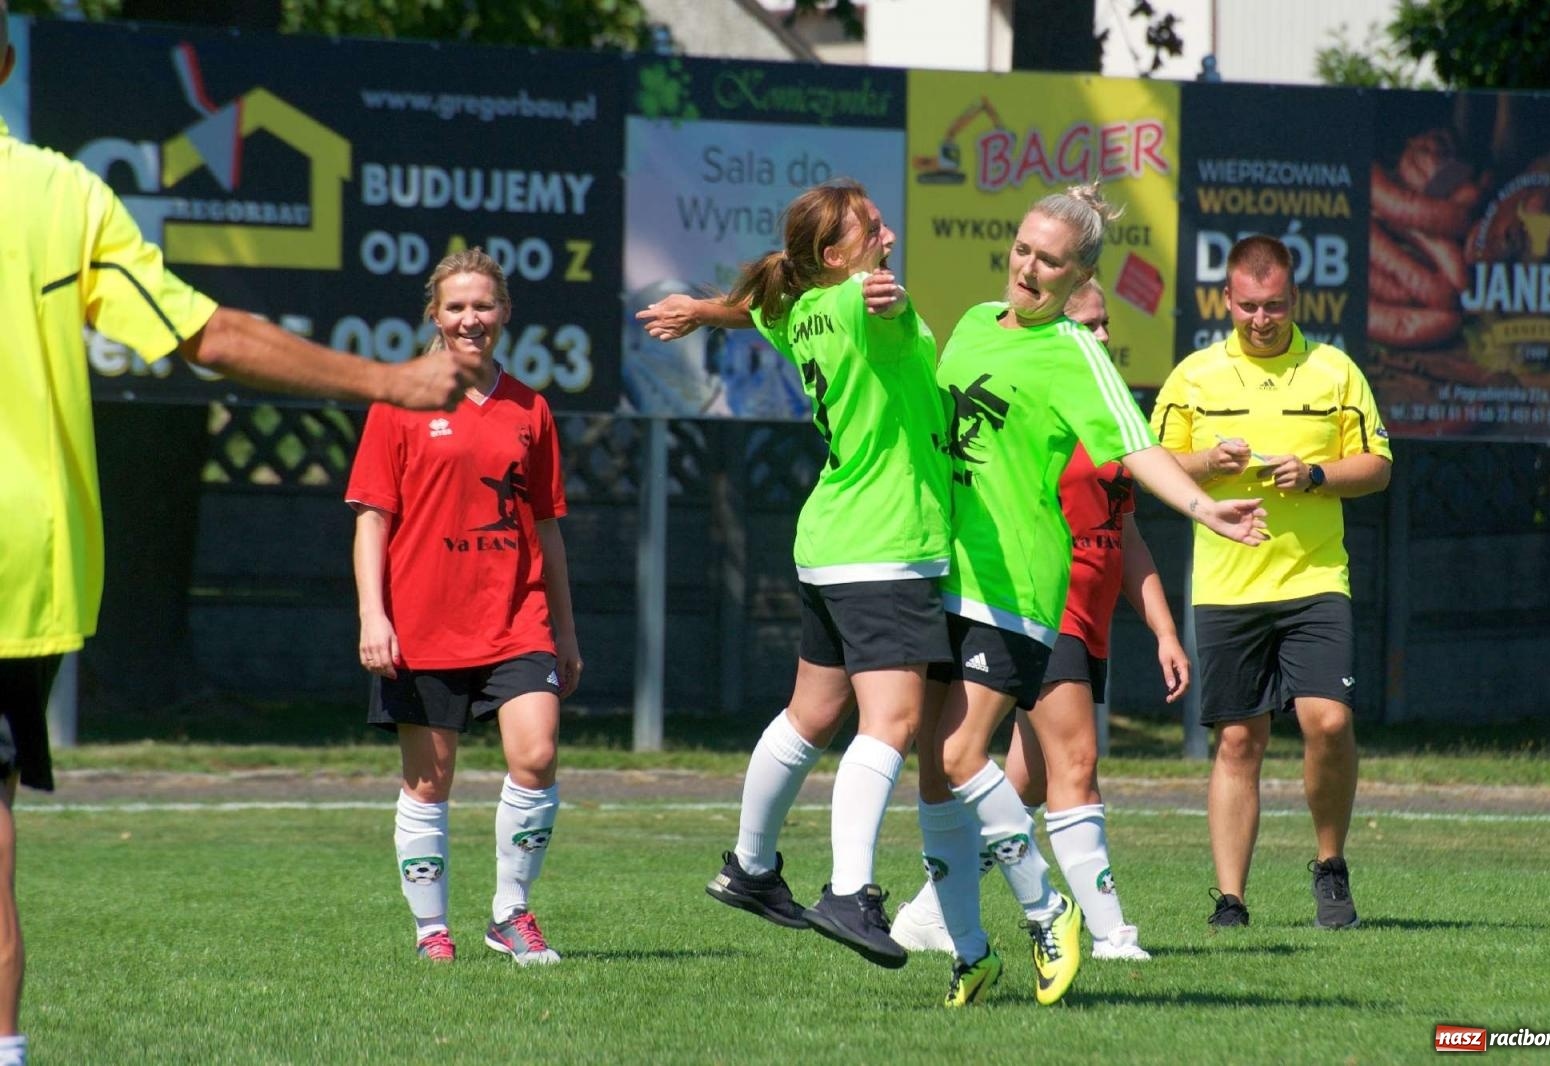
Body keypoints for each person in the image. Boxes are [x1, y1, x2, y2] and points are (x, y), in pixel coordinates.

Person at [0, 12, 480, 1063]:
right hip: (18, 563)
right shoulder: (57, 194)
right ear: (5, 61)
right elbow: (208, 334)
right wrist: (390, 381)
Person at [915, 186, 1269, 1008]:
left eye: (1049, 260)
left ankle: (1050, 911)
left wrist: (1204, 507)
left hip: (1013, 584)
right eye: (1023, 249)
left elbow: (1138, 449)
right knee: (934, 774)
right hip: (944, 574)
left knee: (966, 757)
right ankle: (968, 951)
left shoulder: (1075, 351)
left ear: (1078, 275)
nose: (1027, 268)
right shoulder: (971, 324)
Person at [635, 179, 950, 970]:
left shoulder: (799, 309)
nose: (887, 236)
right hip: (885, 543)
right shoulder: (861, 303)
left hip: (832, 540)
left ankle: (750, 866)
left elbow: (763, 308)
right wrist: (881, 297)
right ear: (835, 256)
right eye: (871, 231)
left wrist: (704, 310)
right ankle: (848, 892)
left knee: (811, 716)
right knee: (892, 724)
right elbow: (872, 305)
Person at [890, 278, 1186, 965]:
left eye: (1105, 323)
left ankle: (931, 911)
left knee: (1027, 780)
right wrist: (1201, 484)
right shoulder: (1043, 401)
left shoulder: (1099, 405)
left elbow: (1127, 527)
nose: (1101, 335)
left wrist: (1166, 630)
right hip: (1041, 605)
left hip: (1084, 617)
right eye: (1089, 322)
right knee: (1062, 762)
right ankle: (1104, 932)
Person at [1149, 234, 1391, 930]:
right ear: (1226, 300)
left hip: (1315, 578)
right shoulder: (1194, 376)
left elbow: (1377, 466)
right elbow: (1149, 461)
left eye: (1276, 306)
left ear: (1296, 300)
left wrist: (1315, 474)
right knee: (1238, 742)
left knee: (1331, 721)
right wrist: (1207, 462)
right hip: (1228, 586)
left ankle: (1330, 865)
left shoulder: (1334, 371)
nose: (1262, 319)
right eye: (1249, 306)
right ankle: (1231, 900)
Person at [346, 248, 582, 965]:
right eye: (456, 307)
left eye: (483, 305)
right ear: (435, 315)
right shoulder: (399, 401)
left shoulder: (531, 408)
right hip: (423, 621)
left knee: (536, 755)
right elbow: (372, 520)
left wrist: (565, 632)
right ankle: (432, 931)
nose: (470, 319)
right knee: (430, 780)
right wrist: (373, 615)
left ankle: (511, 913)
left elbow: (547, 529)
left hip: (517, 619)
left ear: (505, 312)